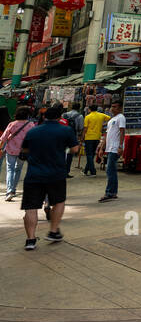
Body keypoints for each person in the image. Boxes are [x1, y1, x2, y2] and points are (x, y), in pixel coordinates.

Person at [19, 102, 77, 250]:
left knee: (31, 208)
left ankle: (30, 240)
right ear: (59, 117)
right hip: (56, 174)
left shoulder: (33, 132)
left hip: (34, 175)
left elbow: (24, 151)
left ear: (44, 117)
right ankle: (53, 231)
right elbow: (75, 149)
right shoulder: (66, 130)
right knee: (58, 201)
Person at [1, 107, 36, 200]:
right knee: (18, 169)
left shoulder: (12, 124)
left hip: (11, 150)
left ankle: (9, 191)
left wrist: (1, 148)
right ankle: (13, 189)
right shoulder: (31, 125)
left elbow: (3, 138)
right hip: (23, 151)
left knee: (10, 169)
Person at [99, 100, 126, 202]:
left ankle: (110, 192)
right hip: (109, 148)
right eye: (112, 107)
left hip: (115, 148)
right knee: (111, 170)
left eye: (115, 107)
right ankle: (113, 192)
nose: (112, 108)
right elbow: (107, 135)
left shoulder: (121, 118)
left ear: (120, 108)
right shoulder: (111, 119)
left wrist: (120, 146)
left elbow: (122, 132)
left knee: (110, 170)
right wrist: (102, 147)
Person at [82, 103, 110, 176]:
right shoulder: (101, 115)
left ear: (90, 109)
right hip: (97, 137)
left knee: (89, 155)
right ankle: (85, 170)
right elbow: (110, 119)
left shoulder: (88, 117)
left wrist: (82, 137)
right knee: (92, 155)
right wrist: (103, 124)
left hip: (89, 137)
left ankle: (93, 171)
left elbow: (85, 128)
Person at [62, 100, 84, 177]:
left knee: (61, 153)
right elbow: (80, 128)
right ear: (79, 108)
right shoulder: (80, 116)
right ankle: (66, 172)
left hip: (62, 136)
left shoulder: (64, 114)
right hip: (72, 136)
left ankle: (59, 170)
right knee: (69, 154)